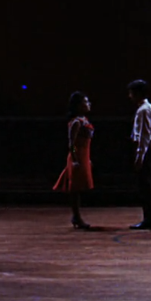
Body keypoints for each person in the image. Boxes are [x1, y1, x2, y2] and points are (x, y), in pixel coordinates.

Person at [53, 91, 95, 229]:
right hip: (78, 156)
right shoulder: (76, 122)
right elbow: (72, 144)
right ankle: (76, 216)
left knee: (79, 187)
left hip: (84, 155)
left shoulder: (84, 120)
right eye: (85, 102)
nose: (88, 104)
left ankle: (76, 216)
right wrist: (76, 159)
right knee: (75, 188)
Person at [128, 79, 151, 229]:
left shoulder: (143, 110)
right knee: (149, 184)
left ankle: (149, 218)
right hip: (150, 147)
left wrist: (139, 156)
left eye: (131, 93)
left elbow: (143, 135)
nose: (130, 96)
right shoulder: (150, 108)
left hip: (146, 149)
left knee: (145, 185)